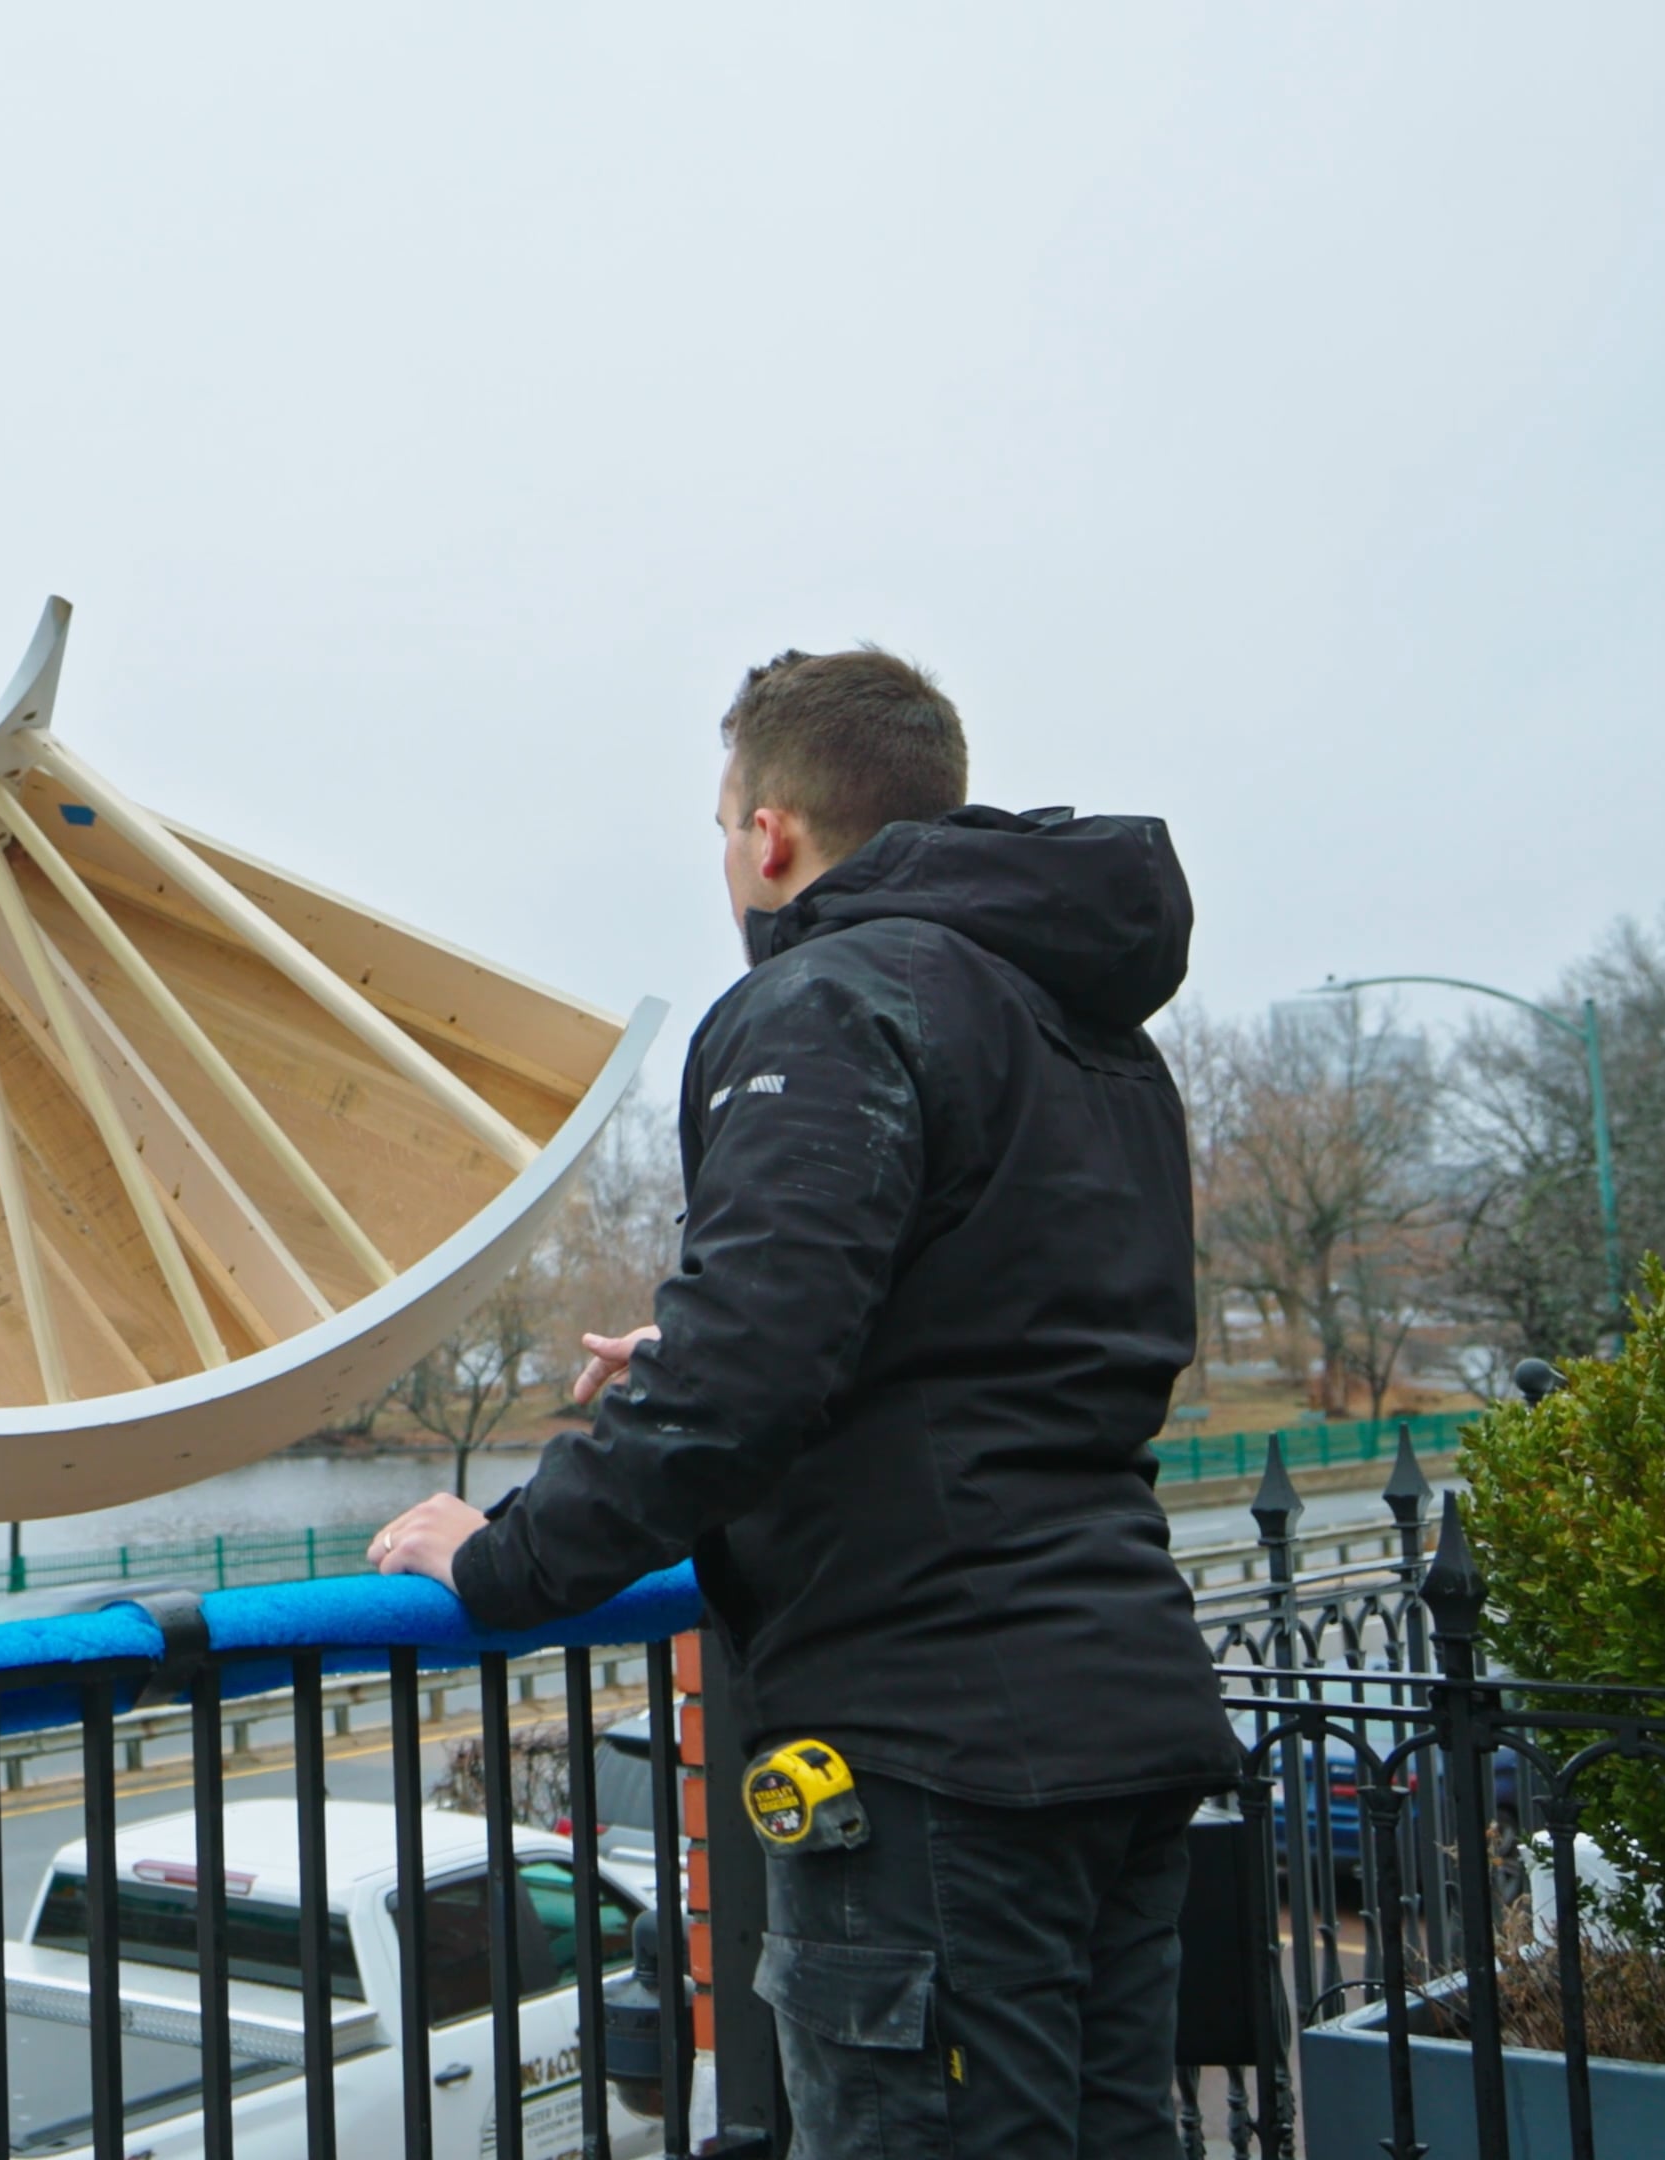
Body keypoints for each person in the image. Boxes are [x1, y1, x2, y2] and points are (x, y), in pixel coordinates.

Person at [368, 648, 1238, 2157]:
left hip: (936, 1756)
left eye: (723, 826)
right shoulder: (1096, 1036)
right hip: (1120, 1703)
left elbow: (748, 1378)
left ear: (770, 833)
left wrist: (499, 1556)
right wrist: (718, 1351)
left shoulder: (826, 1000)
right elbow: (1020, 1347)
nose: (726, 860)